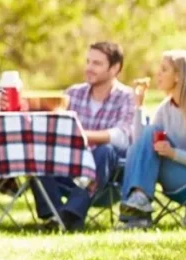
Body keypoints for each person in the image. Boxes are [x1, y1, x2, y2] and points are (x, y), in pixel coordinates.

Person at [33, 42, 137, 231]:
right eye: (88, 61)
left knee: (105, 150)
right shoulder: (73, 93)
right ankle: (55, 214)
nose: (89, 68)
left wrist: (81, 135)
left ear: (115, 68)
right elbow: (56, 128)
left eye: (97, 63)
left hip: (105, 172)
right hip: (69, 165)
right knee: (37, 149)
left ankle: (70, 215)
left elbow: (123, 136)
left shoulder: (126, 96)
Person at [119, 50, 186, 228]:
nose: (157, 74)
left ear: (178, 76)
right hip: (180, 175)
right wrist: (139, 107)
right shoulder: (166, 107)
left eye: (164, 69)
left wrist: (172, 153)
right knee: (148, 136)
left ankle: (133, 207)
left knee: (149, 138)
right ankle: (137, 210)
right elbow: (140, 145)